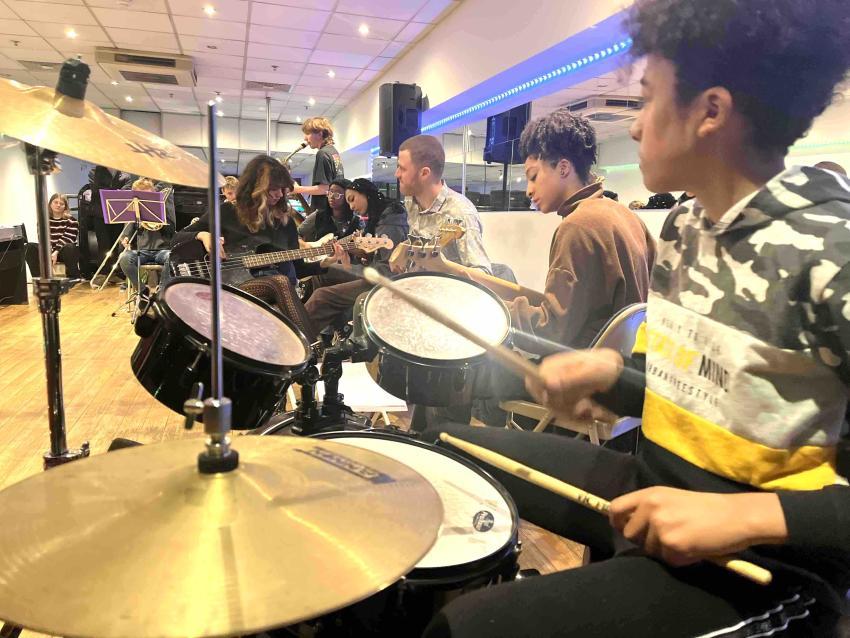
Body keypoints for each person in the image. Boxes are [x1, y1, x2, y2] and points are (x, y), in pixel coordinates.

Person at [421, 0, 850, 636]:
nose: (637, 125)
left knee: (465, 629)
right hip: (653, 476)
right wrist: (610, 370)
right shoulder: (684, 225)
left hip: (762, 562)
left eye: (645, 101)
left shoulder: (830, 252)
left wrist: (746, 519)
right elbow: (689, 381)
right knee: (443, 460)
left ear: (712, 112)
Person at [170, 155, 317, 342]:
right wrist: (203, 235)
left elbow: (299, 266)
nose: (279, 194)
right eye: (273, 188)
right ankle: (313, 351)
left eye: (282, 189)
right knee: (279, 282)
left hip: (260, 285)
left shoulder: (284, 221)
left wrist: (327, 261)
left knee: (280, 282)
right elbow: (176, 240)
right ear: (255, 187)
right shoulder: (227, 212)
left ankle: (310, 353)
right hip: (223, 286)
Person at [304, 178, 408, 333]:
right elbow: (377, 255)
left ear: (366, 194)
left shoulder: (391, 219)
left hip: (384, 281)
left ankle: (298, 342)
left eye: (352, 200)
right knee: (321, 273)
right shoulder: (379, 217)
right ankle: (332, 327)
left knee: (321, 296)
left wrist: (350, 266)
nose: (351, 207)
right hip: (375, 273)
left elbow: (387, 270)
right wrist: (360, 254)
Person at [393, 134, 492, 274]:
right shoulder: (411, 202)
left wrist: (444, 268)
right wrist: (405, 259)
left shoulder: (460, 212)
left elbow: (484, 273)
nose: (396, 174)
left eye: (402, 169)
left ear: (424, 173)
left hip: (448, 293)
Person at [117, 177, 174, 290]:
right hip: (141, 251)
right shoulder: (133, 209)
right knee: (124, 258)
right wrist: (125, 238)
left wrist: (161, 219)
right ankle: (142, 290)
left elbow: (171, 231)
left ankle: (161, 291)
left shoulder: (164, 206)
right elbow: (127, 231)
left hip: (162, 250)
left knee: (172, 257)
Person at [292, 117, 344, 216]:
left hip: (323, 213)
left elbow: (324, 189)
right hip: (333, 212)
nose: (305, 138)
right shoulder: (333, 152)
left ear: (320, 134)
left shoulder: (322, 153)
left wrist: (296, 189)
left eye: (308, 133)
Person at [25, 193, 81, 279]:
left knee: (70, 247)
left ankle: (73, 277)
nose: (58, 205)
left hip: (63, 251)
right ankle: (38, 278)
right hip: (49, 251)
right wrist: (49, 252)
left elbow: (68, 238)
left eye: (61, 203)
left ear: (65, 207)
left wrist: (56, 251)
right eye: (56, 202)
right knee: (29, 247)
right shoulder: (43, 220)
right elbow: (43, 239)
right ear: (50, 204)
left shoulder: (72, 221)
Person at [297, 178, 361, 243]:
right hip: (320, 253)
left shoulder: (356, 222)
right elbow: (297, 233)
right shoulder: (318, 215)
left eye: (337, 194)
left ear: (347, 197)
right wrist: (304, 245)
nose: (331, 197)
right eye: (330, 192)